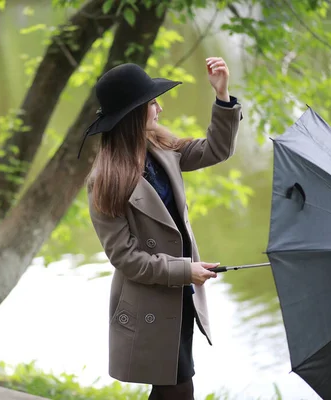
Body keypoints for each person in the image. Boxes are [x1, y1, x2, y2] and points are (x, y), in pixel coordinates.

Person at [79, 57, 242, 400]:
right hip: (152, 297)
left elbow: (216, 148)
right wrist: (185, 270)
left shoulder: (162, 147)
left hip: (180, 291)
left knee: (174, 385)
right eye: (152, 103)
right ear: (133, 113)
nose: (160, 109)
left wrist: (223, 95)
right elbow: (125, 258)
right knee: (178, 387)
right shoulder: (105, 181)